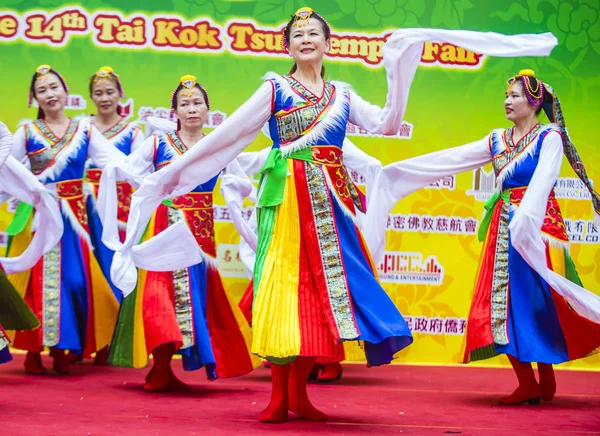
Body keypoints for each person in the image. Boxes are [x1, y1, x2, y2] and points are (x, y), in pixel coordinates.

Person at [110, 9, 559, 422]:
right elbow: (227, 136)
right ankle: (277, 396)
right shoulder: (274, 89)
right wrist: (172, 176)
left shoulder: (342, 95)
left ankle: (300, 394)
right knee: (284, 292)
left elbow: (385, 123)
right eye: (297, 35)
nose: (305, 40)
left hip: (331, 207)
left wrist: (401, 63)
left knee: (322, 297)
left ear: (329, 43)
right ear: (287, 46)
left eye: (313, 34)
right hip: (285, 199)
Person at [355, 69, 600, 405]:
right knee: (503, 305)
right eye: (506, 96)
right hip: (504, 231)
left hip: (539, 228)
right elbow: (451, 159)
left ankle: (545, 373)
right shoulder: (498, 140)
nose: (507, 101)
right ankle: (527, 381)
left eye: (515, 96)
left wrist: (525, 223)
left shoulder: (549, 138)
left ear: (534, 101)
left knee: (541, 302)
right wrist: (397, 174)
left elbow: (543, 182)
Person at [98, 75, 259, 392]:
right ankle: (160, 367)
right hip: (162, 226)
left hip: (200, 230)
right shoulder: (158, 143)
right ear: (175, 112)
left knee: (193, 297)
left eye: (197, 102)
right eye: (185, 104)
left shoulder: (218, 146)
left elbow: (241, 182)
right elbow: (132, 170)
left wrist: (238, 194)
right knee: (158, 294)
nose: (192, 108)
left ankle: (167, 366)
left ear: (208, 110)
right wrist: (121, 175)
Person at [8, 65, 127, 374]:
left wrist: (160, 176)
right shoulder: (26, 132)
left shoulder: (84, 129)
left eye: (53, 87)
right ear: (34, 97)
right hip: (39, 217)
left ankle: (66, 346)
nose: (49, 94)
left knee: (75, 281)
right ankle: (34, 351)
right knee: (35, 284)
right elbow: (6, 167)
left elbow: (116, 162)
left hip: (75, 219)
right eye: (42, 90)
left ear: (65, 91)